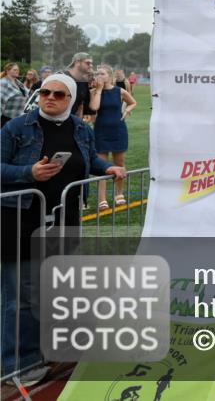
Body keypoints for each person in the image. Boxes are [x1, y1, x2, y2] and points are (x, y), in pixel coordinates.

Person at [1, 74, 126, 384]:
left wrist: (105, 167)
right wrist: (28, 172)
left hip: (64, 222)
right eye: (45, 92)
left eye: (58, 93)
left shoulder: (82, 129)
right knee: (21, 296)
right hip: (21, 222)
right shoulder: (16, 128)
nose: (50, 97)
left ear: (71, 99)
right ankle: (19, 365)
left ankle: (51, 349)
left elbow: (87, 159)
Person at [89, 65, 136, 210]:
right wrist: (98, 90)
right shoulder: (94, 92)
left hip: (118, 131)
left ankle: (119, 193)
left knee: (119, 163)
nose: (99, 75)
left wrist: (128, 110)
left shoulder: (120, 91)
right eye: (97, 74)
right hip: (100, 132)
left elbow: (133, 102)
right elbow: (94, 108)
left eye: (102, 73)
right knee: (102, 166)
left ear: (109, 76)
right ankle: (102, 198)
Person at [64, 52, 95, 120]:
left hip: (72, 123)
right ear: (77, 62)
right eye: (88, 63)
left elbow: (82, 105)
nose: (91, 65)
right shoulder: (61, 77)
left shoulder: (84, 82)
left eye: (91, 63)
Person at [1, 63, 29, 127]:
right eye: (15, 70)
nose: (17, 71)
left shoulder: (19, 83)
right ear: (8, 71)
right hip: (6, 120)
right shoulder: (3, 83)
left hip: (19, 118)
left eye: (18, 70)